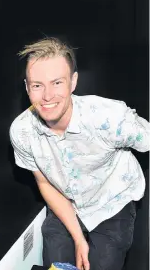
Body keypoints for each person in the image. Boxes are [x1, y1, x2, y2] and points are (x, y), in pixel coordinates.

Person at [9, 37, 149, 270]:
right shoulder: (21, 131)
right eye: (37, 85)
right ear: (27, 87)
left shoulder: (109, 117)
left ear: (73, 82)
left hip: (111, 203)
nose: (47, 96)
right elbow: (44, 182)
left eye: (57, 83)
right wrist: (78, 238)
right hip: (65, 204)